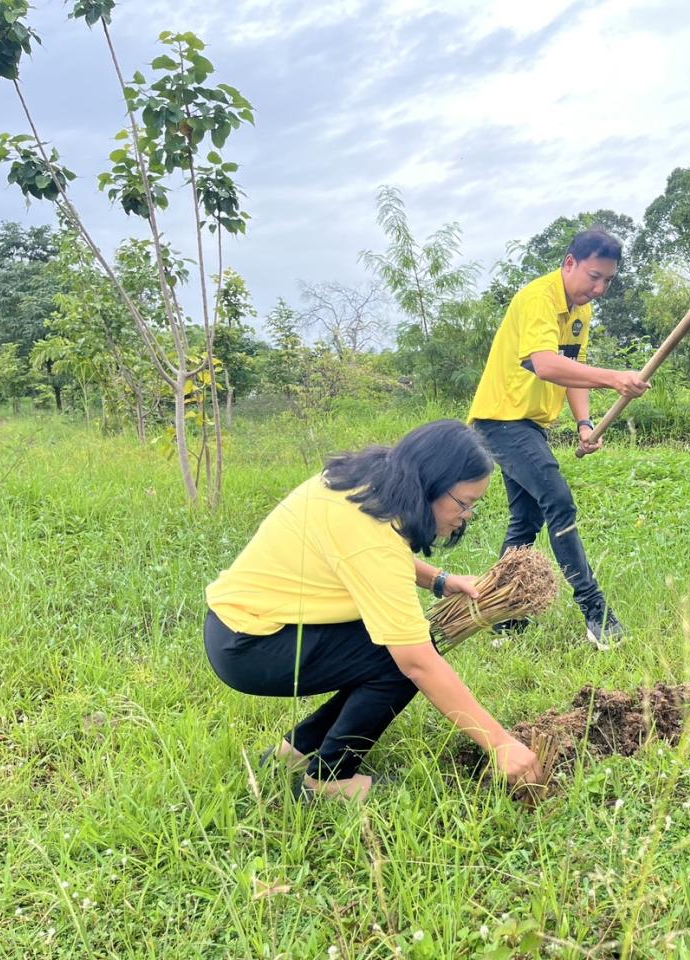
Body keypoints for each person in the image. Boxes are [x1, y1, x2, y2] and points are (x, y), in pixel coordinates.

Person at [203, 419, 545, 802]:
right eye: (465, 503)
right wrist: (500, 744)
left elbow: (355, 555)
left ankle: (292, 754)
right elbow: (417, 662)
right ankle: (329, 779)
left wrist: (438, 580)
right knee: (398, 661)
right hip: (253, 646)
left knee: (384, 651)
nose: (465, 516)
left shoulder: (368, 483)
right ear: (432, 482)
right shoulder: (372, 536)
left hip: (241, 625)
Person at [468, 229, 649, 647]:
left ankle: (503, 620)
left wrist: (585, 424)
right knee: (559, 503)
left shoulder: (580, 311)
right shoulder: (538, 299)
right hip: (501, 419)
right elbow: (547, 366)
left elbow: (573, 371)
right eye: (593, 276)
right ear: (569, 264)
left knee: (526, 521)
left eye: (608, 281)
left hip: (529, 424)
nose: (599, 288)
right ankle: (597, 613)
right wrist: (615, 379)